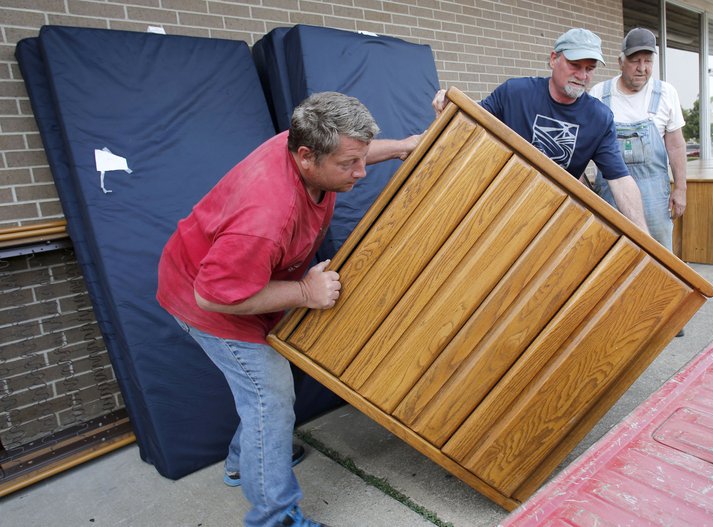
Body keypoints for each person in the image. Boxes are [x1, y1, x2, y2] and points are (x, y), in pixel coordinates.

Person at [157, 92, 415, 527]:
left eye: (362, 158)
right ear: (306, 156)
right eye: (348, 165)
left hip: (247, 278)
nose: (361, 172)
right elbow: (214, 295)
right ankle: (275, 517)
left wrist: (408, 144)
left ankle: (246, 460)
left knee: (274, 390)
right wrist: (305, 293)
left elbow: (358, 150)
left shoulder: (309, 142)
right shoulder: (267, 214)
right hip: (208, 299)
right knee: (270, 402)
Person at [432, 28, 650, 233]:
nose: (582, 75)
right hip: (496, 209)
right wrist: (447, 106)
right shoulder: (515, 93)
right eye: (575, 65)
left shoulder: (599, 119)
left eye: (590, 68)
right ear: (554, 59)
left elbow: (620, 180)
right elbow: (466, 125)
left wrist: (645, 239)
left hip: (551, 219)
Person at [589, 27, 687, 252]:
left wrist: (681, 188)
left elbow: (676, 145)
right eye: (635, 61)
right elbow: (584, 143)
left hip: (655, 197)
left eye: (648, 61)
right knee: (612, 254)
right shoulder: (598, 94)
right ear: (620, 61)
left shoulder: (665, 93)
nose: (642, 68)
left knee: (660, 257)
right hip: (611, 193)